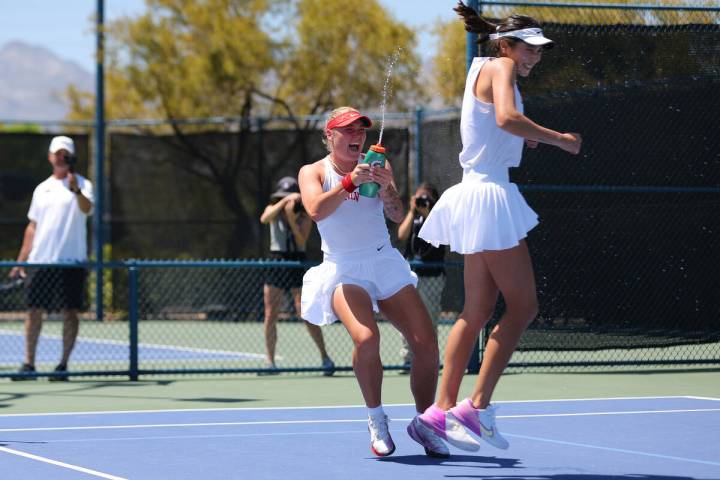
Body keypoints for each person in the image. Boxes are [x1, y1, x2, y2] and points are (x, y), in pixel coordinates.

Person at [417, 2, 582, 452]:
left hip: (475, 192)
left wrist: (520, 136)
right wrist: (560, 140)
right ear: (506, 45)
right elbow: (506, 118)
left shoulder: (481, 69)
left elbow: (494, 123)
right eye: (528, 49)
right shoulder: (502, 68)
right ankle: (475, 407)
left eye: (539, 51)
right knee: (524, 307)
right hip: (489, 196)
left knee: (476, 312)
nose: (534, 57)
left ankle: (438, 412)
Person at [298, 106, 448, 458]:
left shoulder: (379, 164)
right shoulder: (313, 171)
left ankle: (425, 424)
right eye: (347, 131)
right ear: (329, 136)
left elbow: (397, 216)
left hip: (383, 260)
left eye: (360, 131)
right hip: (343, 269)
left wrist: (386, 191)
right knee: (367, 338)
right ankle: (376, 419)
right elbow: (316, 210)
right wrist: (351, 182)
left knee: (426, 343)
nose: (356, 137)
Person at [9, 136, 94, 381]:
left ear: (71, 158)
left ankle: (63, 365)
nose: (60, 157)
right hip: (40, 262)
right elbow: (32, 226)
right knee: (33, 311)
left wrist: (75, 189)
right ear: (50, 156)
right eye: (57, 153)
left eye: (65, 154)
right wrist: (21, 260)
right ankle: (29, 364)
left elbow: (87, 209)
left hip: (71, 262)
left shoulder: (83, 185)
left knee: (70, 312)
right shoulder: (41, 189)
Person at [259, 176, 335, 376]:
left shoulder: (304, 215)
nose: (288, 201)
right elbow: (264, 219)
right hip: (277, 260)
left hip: (297, 260)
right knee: (270, 314)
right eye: (283, 197)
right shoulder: (272, 209)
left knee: (305, 311)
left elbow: (301, 239)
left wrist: (292, 219)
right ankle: (270, 361)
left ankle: (325, 357)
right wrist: (283, 203)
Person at [397, 183, 446, 373]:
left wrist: (428, 214)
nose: (421, 201)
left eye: (425, 198)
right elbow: (401, 235)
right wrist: (412, 211)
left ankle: (431, 357)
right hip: (411, 275)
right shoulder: (414, 216)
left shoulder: (438, 218)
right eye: (418, 197)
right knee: (406, 318)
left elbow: (440, 238)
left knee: (430, 319)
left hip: (432, 277)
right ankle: (408, 358)